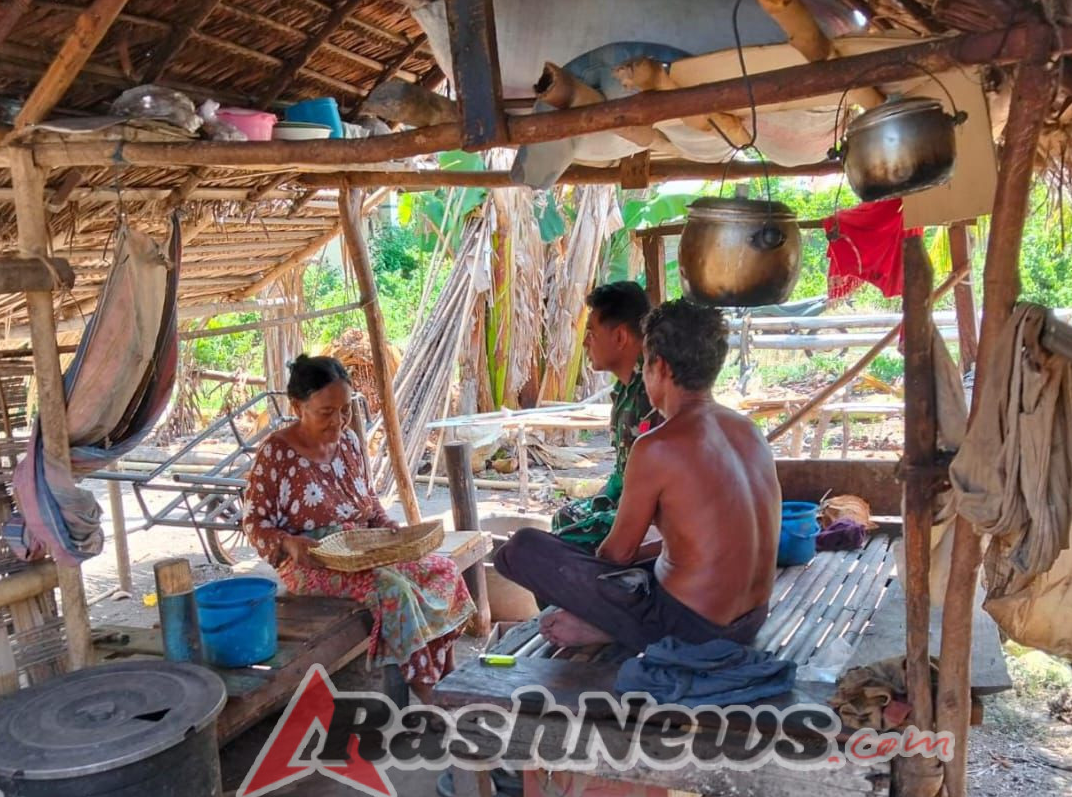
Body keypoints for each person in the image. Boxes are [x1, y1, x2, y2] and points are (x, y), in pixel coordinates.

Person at [496, 299, 782, 651]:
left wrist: (590, 595)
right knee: (641, 562)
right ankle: (613, 626)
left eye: (644, 363)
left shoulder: (657, 446)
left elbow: (617, 556)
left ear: (658, 366)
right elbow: (713, 542)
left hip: (693, 628)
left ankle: (610, 627)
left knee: (520, 549)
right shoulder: (748, 430)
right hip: (752, 617)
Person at [242, 355, 474, 707]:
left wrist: (386, 526)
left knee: (443, 570)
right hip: (312, 564)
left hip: (362, 548)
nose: (338, 421)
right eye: (325, 412)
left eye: (345, 410)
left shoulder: (349, 443)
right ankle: (426, 691)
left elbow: (367, 500)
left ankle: (448, 670)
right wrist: (289, 544)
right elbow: (254, 524)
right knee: (393, 589)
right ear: (296, 406)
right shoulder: (276, 454)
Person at [551, 281, 662, 550]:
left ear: (621, 337)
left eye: (591, 332)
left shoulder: (656, 390)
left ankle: (616, 588)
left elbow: (654, 485)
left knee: (560, 544)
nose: (586, 343)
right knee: (563, 518)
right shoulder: (624, 391)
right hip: (631, 501)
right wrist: (601, 501)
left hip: (657, 514)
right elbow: (622, 474)